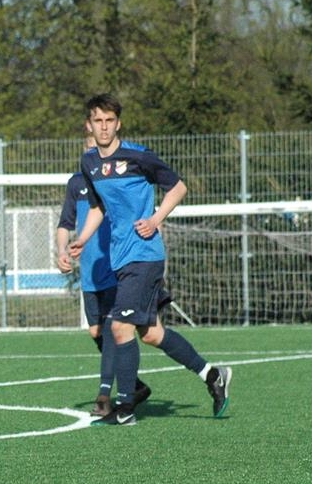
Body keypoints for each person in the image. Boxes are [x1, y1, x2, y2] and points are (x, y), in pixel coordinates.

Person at [69, 94, 232, 425]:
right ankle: (213, 375)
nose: (104, 127)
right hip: (121, 259)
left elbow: (178, 188)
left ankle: (126, 408)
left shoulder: (138, 156)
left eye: (109, 121)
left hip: (145, 256)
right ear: (89, 124)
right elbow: (99, 206)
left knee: (119, 326)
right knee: (152, 334)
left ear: (119, 123)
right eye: (98, 121)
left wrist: (156, 219)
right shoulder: (89, 163)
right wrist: (82, 239)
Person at [56, 134, 151, 417]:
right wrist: (62, 249)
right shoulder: (76, 183)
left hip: (116, 268)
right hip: (90, 273)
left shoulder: (116, 182)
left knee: (113, 329)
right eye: (90, 146)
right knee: (96, 332)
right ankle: (134, 385)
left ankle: (106, 394)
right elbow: (65, 222)